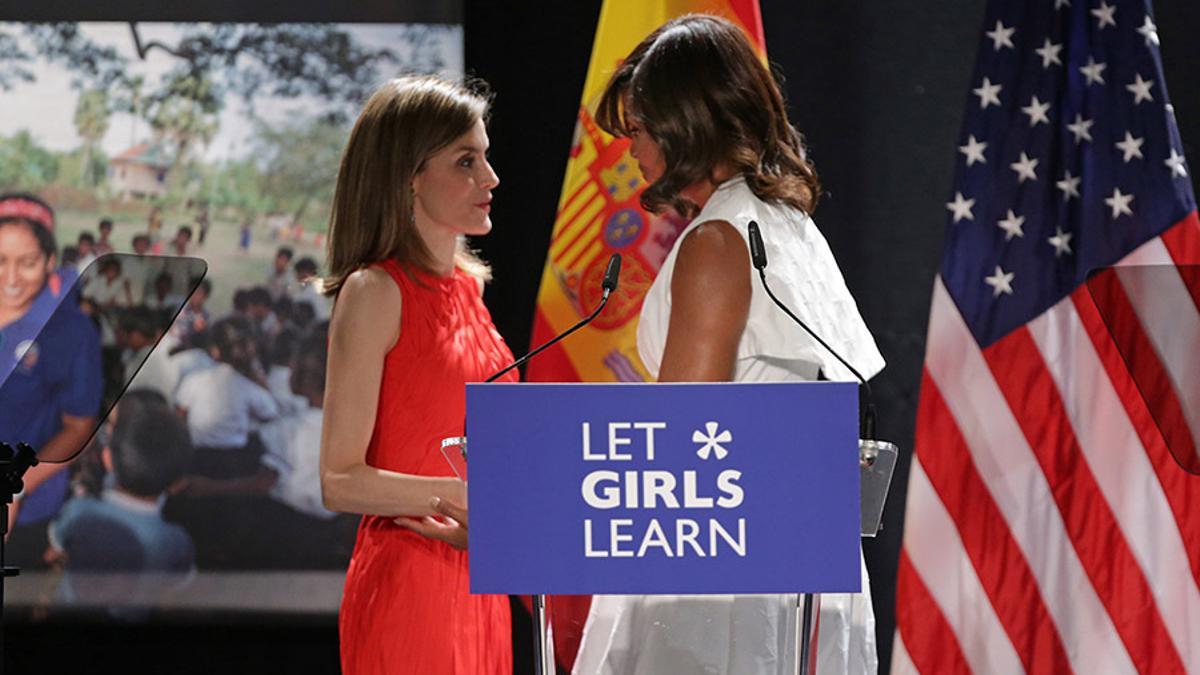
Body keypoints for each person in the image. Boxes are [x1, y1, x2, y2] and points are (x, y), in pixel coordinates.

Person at [572, 16, 886, 675]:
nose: (632, 149)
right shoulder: (790, 223)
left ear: (687, 121)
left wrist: (576, 483)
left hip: (718, 578)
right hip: (799, 566)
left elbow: (680, 437)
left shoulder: (718, 239)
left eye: (639, 128)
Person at [318, 75, 512, 675]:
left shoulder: (468, 287)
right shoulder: (374, 291)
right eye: (465, 161)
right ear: (408, 177)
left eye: (485, 157)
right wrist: (458, 498)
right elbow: (338, 479)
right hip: (411, 586)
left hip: (483, 582)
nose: (491, 179)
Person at [0, 192, 103, 568]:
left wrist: (17, 487)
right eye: (0, 261)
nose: (10, 279)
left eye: (26, 263)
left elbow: (78, 426)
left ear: (49, 261)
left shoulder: (71, 332)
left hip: (23, 511)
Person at [47, 395, 195, 618]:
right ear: (179, 483)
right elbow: (176, 587)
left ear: (107, 459)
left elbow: (55, 549)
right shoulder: (176, 541)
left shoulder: (79, 510)